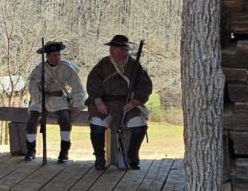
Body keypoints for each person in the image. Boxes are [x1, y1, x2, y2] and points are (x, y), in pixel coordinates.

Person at [86, 35, 152, 170]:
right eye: (111, 47)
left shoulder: (134, 65)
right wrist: (98, 101)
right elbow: (93, 83)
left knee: (139, 126)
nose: (111, 50)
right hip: (105, 103)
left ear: (124, 50)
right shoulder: (103, 63)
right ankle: (99, 157)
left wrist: (135, 102)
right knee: (97, 125)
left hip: (127, 104)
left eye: (115, 48)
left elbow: (145, 86)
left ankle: (133, 156)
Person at [24, 41, 85, 163]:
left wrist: (77, 105)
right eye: (53, 55)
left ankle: (64, 152)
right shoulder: (39, 69)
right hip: (40, 99)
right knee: (32, 120)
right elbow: (31, 86)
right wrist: (39, 88)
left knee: (65, 119)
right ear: (47, 56)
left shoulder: (66, 68)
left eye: (58, 55)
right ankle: (31, 150)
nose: (57, 58)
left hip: (59, 99)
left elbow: (78, 88)